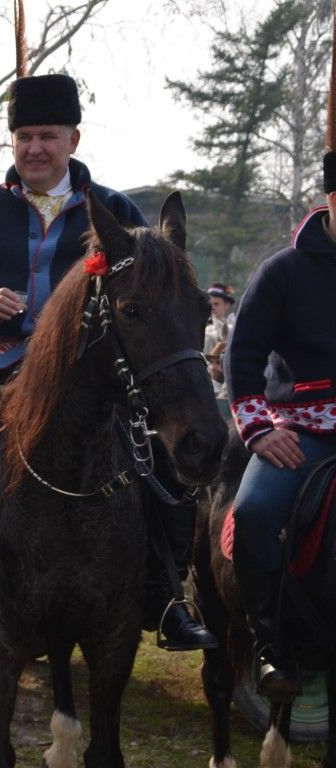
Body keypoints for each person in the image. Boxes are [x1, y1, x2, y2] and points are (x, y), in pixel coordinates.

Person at [0, 72, 215, 653]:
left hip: (95, 370)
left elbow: (152, 294)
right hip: (1, 359)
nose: (35, 148)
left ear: (72, 140)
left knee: (157, 458)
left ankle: (164, 595)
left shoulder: (115, 209)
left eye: (48, 136)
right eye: (24, 136)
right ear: (12, 142)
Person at [225, 149, 336, 703]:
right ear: (331, 198)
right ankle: (270, 645)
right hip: (302, 428)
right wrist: (259, 431)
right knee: (254, 510)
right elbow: (241, 356)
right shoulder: (282, 272)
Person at [204, 282, 236, 354]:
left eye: (216, 304)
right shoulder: (199, 327)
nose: (212, 307)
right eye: (209, 304)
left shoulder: (232, 328)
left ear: (227, 305)